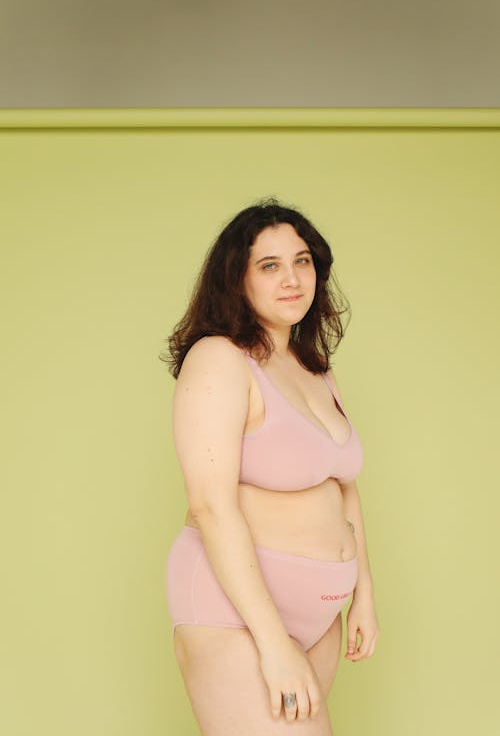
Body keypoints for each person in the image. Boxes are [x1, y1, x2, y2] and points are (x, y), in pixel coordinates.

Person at [161, 197, 380, 734]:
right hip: (236, 607)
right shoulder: (219, 358)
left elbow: (343, 489)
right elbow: (210, 506)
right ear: (236, 280)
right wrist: (273, 640)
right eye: (270, 266)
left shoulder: (314, 369)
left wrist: (363, 598)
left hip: (321, 613)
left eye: (302, 261)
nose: (292, 278)